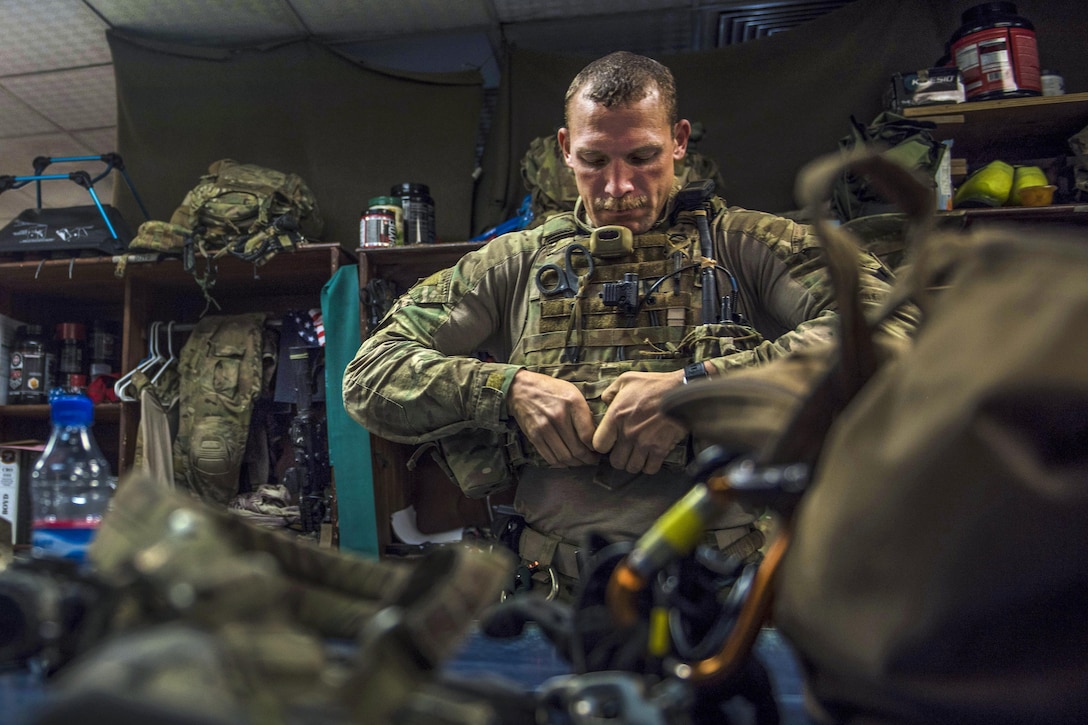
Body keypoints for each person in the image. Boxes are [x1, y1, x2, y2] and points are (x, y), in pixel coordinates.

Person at [343, 51, 915, 596]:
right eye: (594, 160)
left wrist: (700, 389)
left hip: (719, 586)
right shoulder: (512, 264)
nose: (618, 188)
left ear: (680, 141)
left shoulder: (750, 246)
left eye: (642, 157)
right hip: (554, 588)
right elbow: (369, 377)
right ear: (566, 149)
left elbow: (896, 336)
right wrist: (508, 389)